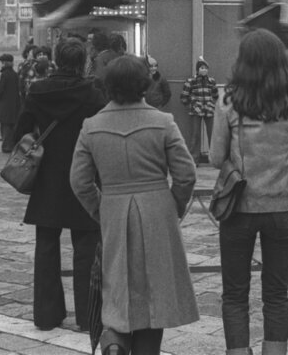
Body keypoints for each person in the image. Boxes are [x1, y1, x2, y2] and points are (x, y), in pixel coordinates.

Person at [71, 55, 198, 355]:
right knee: (155, 291)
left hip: (114, 207)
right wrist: (174, 206)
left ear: (108, 86)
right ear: (144, 84)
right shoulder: (163, 122)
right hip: (157, 208)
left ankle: (115, 342)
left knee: (116, 286)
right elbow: (186, 174)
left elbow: (79, 181)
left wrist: (101, 208)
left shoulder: (92, 126)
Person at [209, 29, 288, 355]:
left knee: (235, 294)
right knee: (277, 293)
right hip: (282, 206)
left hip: (239, 207)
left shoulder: (229, 101)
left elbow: (215, 157)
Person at [17, 38, 107, 332]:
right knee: (86, 248)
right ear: (83, 62)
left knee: (46, 247)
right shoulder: (93, 95)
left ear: (56, 59)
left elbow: (20, 132)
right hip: (84, 174)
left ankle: (46, 315)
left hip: (48, 176)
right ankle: (88, 316)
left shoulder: (37, 91)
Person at [181, 58, 219, 163]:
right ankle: (194, 159)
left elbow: (216, 95)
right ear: (197, 69)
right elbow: (184, 97)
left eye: (206, 68)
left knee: (212, 134)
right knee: (195, 135)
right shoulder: (190, 81)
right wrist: (192, 105)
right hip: (196, 111)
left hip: (209, 110)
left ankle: (214, 159)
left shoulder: (211, 81)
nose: (204, 70)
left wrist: (211, 104)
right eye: (202, 68)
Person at [0, 54, 21, 153]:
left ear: (5, 63)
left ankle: (6, 146)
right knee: (12, 127)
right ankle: (12, 145)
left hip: (5, 106)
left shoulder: (4, 75)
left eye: (2, 62)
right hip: (14, 105)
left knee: (5, 128)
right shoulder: (15, 74)